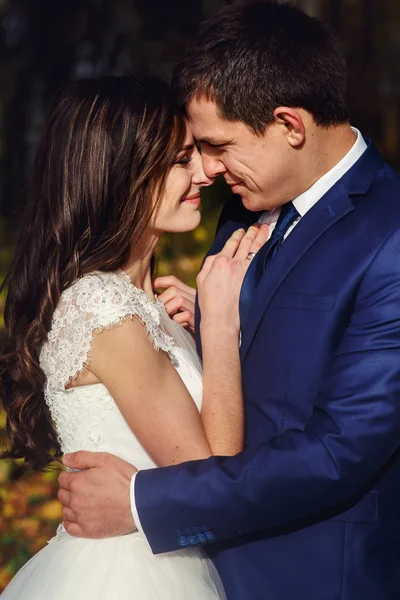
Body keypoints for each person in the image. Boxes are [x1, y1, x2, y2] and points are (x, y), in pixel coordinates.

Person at [59, 2, 400, 599]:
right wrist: (206, 329)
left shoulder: (390, 234)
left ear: (290, 124)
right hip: (199, 569)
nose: (208, 171)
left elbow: (340, 449)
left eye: (217, 146)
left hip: (312, 576)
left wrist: (143, 502)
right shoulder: (246, 202)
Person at [0, 74, 269, 599]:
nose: (205, 173)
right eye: (180, 160)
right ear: (122, 174)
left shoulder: (141, 305)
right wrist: (221, 325)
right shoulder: (102, 308)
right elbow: (210, 475)